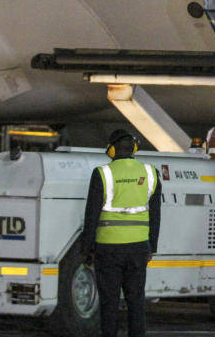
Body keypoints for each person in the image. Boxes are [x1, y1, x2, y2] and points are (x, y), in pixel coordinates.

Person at [80, 129, 161, 337]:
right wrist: (152, 246)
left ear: (112, 149)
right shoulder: (151, 173)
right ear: (134, 148)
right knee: (136, 302)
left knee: (109, 304)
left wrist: (86, 250)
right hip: (139, 248)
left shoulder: (102, 174)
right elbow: (156, 214)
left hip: (108, 249)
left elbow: (91, 215)